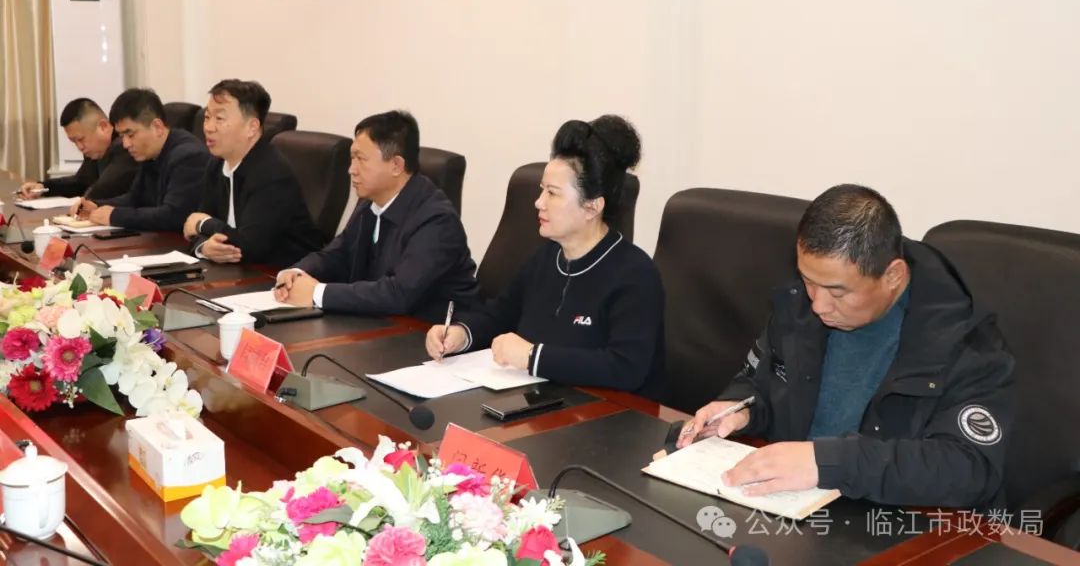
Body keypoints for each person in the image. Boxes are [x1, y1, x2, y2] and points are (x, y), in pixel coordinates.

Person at [677, 184, 1014, 508]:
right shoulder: (799, 304)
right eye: (808, 281)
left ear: (893, 276)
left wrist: (828, 462)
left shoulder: (965, 342)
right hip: (795, 504)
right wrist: (740, 409)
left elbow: (969, 469)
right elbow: (761, 382)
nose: (818, 305)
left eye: (838, 293)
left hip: (895, 520)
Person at [425, 116, 665, 399]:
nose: (539, 202)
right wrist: (461, 334)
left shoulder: (635, 275)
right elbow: (499, 315)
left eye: (552, 193)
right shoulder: (547, 257)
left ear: (592, 206)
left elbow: (626, 368)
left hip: (607, 416)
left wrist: (532, 356)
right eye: (542, 189)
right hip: (540, 404)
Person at [273, 110, 478, 321]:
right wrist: (295, 272)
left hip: (431, 332)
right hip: (381, 324)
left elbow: (399, 294)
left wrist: (317, 293)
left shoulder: (437, 221)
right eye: (352, 158)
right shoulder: (370, 204)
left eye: (361, 159)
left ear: (396, 166)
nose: (351, 170)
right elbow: (337, 254)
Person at [182, 80, 322, 267]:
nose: (208, 127)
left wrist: (204, 224)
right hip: (239, 272)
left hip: (280, 275)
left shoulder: (271, 173)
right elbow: (193, 230)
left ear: (252, 127)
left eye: (219, 118)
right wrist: (204, 247)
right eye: (207, 117)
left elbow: (249, 247)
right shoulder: (216, 165)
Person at [71, 89, 210, 232]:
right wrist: (96, 205)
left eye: (130, 135)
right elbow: (135, 199)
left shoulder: (189, 157)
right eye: (122, 136)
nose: (125, 144)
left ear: (157, 127)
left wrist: (115, 216)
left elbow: (173, 216)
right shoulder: (150, 153)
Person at [18, 98, 136, 201]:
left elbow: (103, 190)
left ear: (103, 127)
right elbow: (81, 182)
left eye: (81, 139)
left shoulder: (126, 147)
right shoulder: (95, 151)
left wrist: (82, 204)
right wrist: (42, 187)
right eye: (74, 142)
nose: (80, 147)